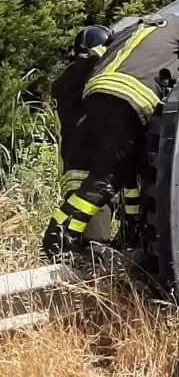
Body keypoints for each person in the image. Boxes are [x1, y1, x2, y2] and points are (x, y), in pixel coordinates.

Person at [42, 14, 179, 261]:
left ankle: (129, 234)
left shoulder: (130, 32)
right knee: (105, 180)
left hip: (98, 95)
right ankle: (59, 239)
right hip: (128, 99)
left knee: (126, 174)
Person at [50, 25, 114, 244]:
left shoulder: (83, 87)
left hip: (91, 175)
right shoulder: (68, 83)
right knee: (94, 241)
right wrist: (108, 50)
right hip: (84, 176)